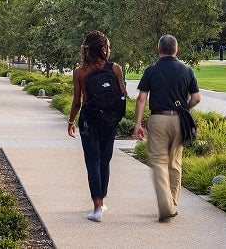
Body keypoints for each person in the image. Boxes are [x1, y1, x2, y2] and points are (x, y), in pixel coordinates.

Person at [133, 34, 201, 222]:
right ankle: (172, 204)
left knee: (158, 162)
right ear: (176, 50)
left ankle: (165, 206)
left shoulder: (151, 70)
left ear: (159, 50)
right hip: (180, 121)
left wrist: (138, 124)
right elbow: (196, 98)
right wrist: (184, 108)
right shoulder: (187, 70)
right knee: (175, 163)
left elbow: (141, 99)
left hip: (158, 118)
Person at [67, 30, 127, 223]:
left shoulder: (79, 71)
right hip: (110, 120)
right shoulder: (115, 68)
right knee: (105, 159)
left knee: (92, 161)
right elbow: (123, 94)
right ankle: (102, 200)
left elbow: (77, 101)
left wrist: (71, 122)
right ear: (104, 48)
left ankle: (97, 206)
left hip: (89, 119)